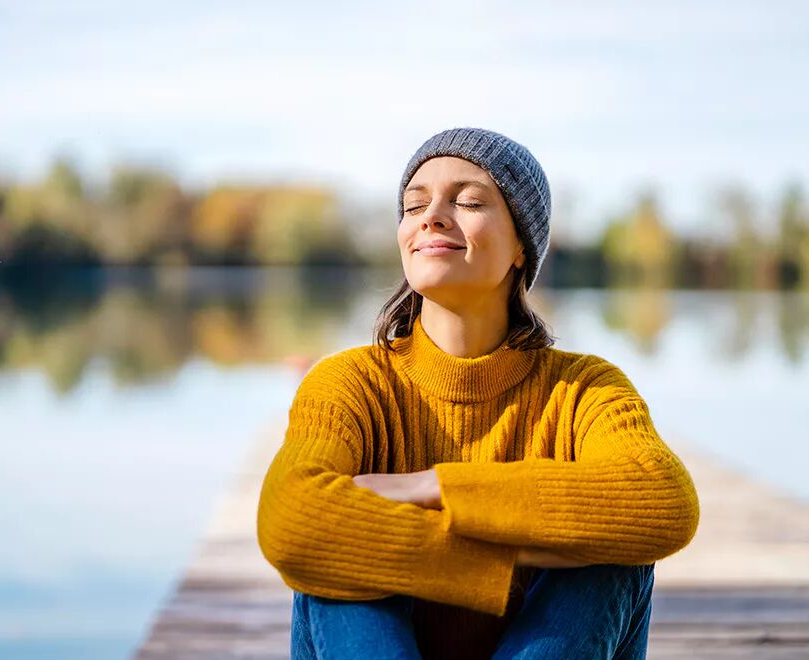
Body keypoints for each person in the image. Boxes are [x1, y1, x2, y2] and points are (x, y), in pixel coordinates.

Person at [256, 127, 700, 659]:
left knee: (613, 556)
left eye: (467, 201)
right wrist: (503, 560)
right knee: (332, 558)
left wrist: (428, 487)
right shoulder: (348, 382)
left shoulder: (587, 389)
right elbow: (289, 519)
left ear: (521, 247)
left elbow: (664, 501)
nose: (431, 217)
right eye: (414, 205)